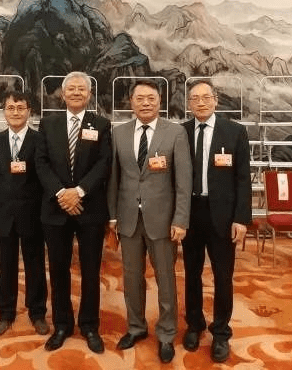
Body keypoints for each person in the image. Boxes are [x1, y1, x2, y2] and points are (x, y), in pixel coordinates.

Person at [107, 80, 192, 364]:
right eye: (140, 98)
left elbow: (183, 182)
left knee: (165, 280)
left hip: (163, 221)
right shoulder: (118, 133)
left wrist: (181, 219)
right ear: (131, 102)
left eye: (151, 98)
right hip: (128, 219)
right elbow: (114, 179)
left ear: (159, 101)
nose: (145, 103)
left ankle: (166, 333)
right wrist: (113, 216)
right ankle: (136, 327)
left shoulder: (175, 133)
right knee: (132, 279)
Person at [35, 71, 112, 353]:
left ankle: (90, 326)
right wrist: (61, 193)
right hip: (55, 209)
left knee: (91, 270)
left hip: (89, 208)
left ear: (89, 94)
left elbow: (104, 163)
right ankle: (62, 325)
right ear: (63, 94)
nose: (77, 92)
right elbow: (41, 162)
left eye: (82, 89)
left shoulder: (101, 124)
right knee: (58, 270)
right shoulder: (48, 124)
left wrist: (78, 192)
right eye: (72, 88)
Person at [181, 80, 251, 363]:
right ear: (188, 103)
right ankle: (194, 324)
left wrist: (241, 219)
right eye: (194, 98)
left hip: (223, 216)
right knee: (191, 273)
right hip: (190, 213)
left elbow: (243, 179)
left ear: (215, 100)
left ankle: (221, 332)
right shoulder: (181, 132)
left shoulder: (235, 132)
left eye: (205, 97)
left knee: (223, 276)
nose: (200, 102)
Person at [0, 91, 49, 337]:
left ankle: (37, 313)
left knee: (35, 265)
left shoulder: (40, 140)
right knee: (5, 266)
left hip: (33, 213)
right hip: (4, 213)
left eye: (21, 108)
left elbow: (43, 176)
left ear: (29, 111)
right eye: (10, 108)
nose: (15, 112)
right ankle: (5, 313)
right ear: (4, 112)